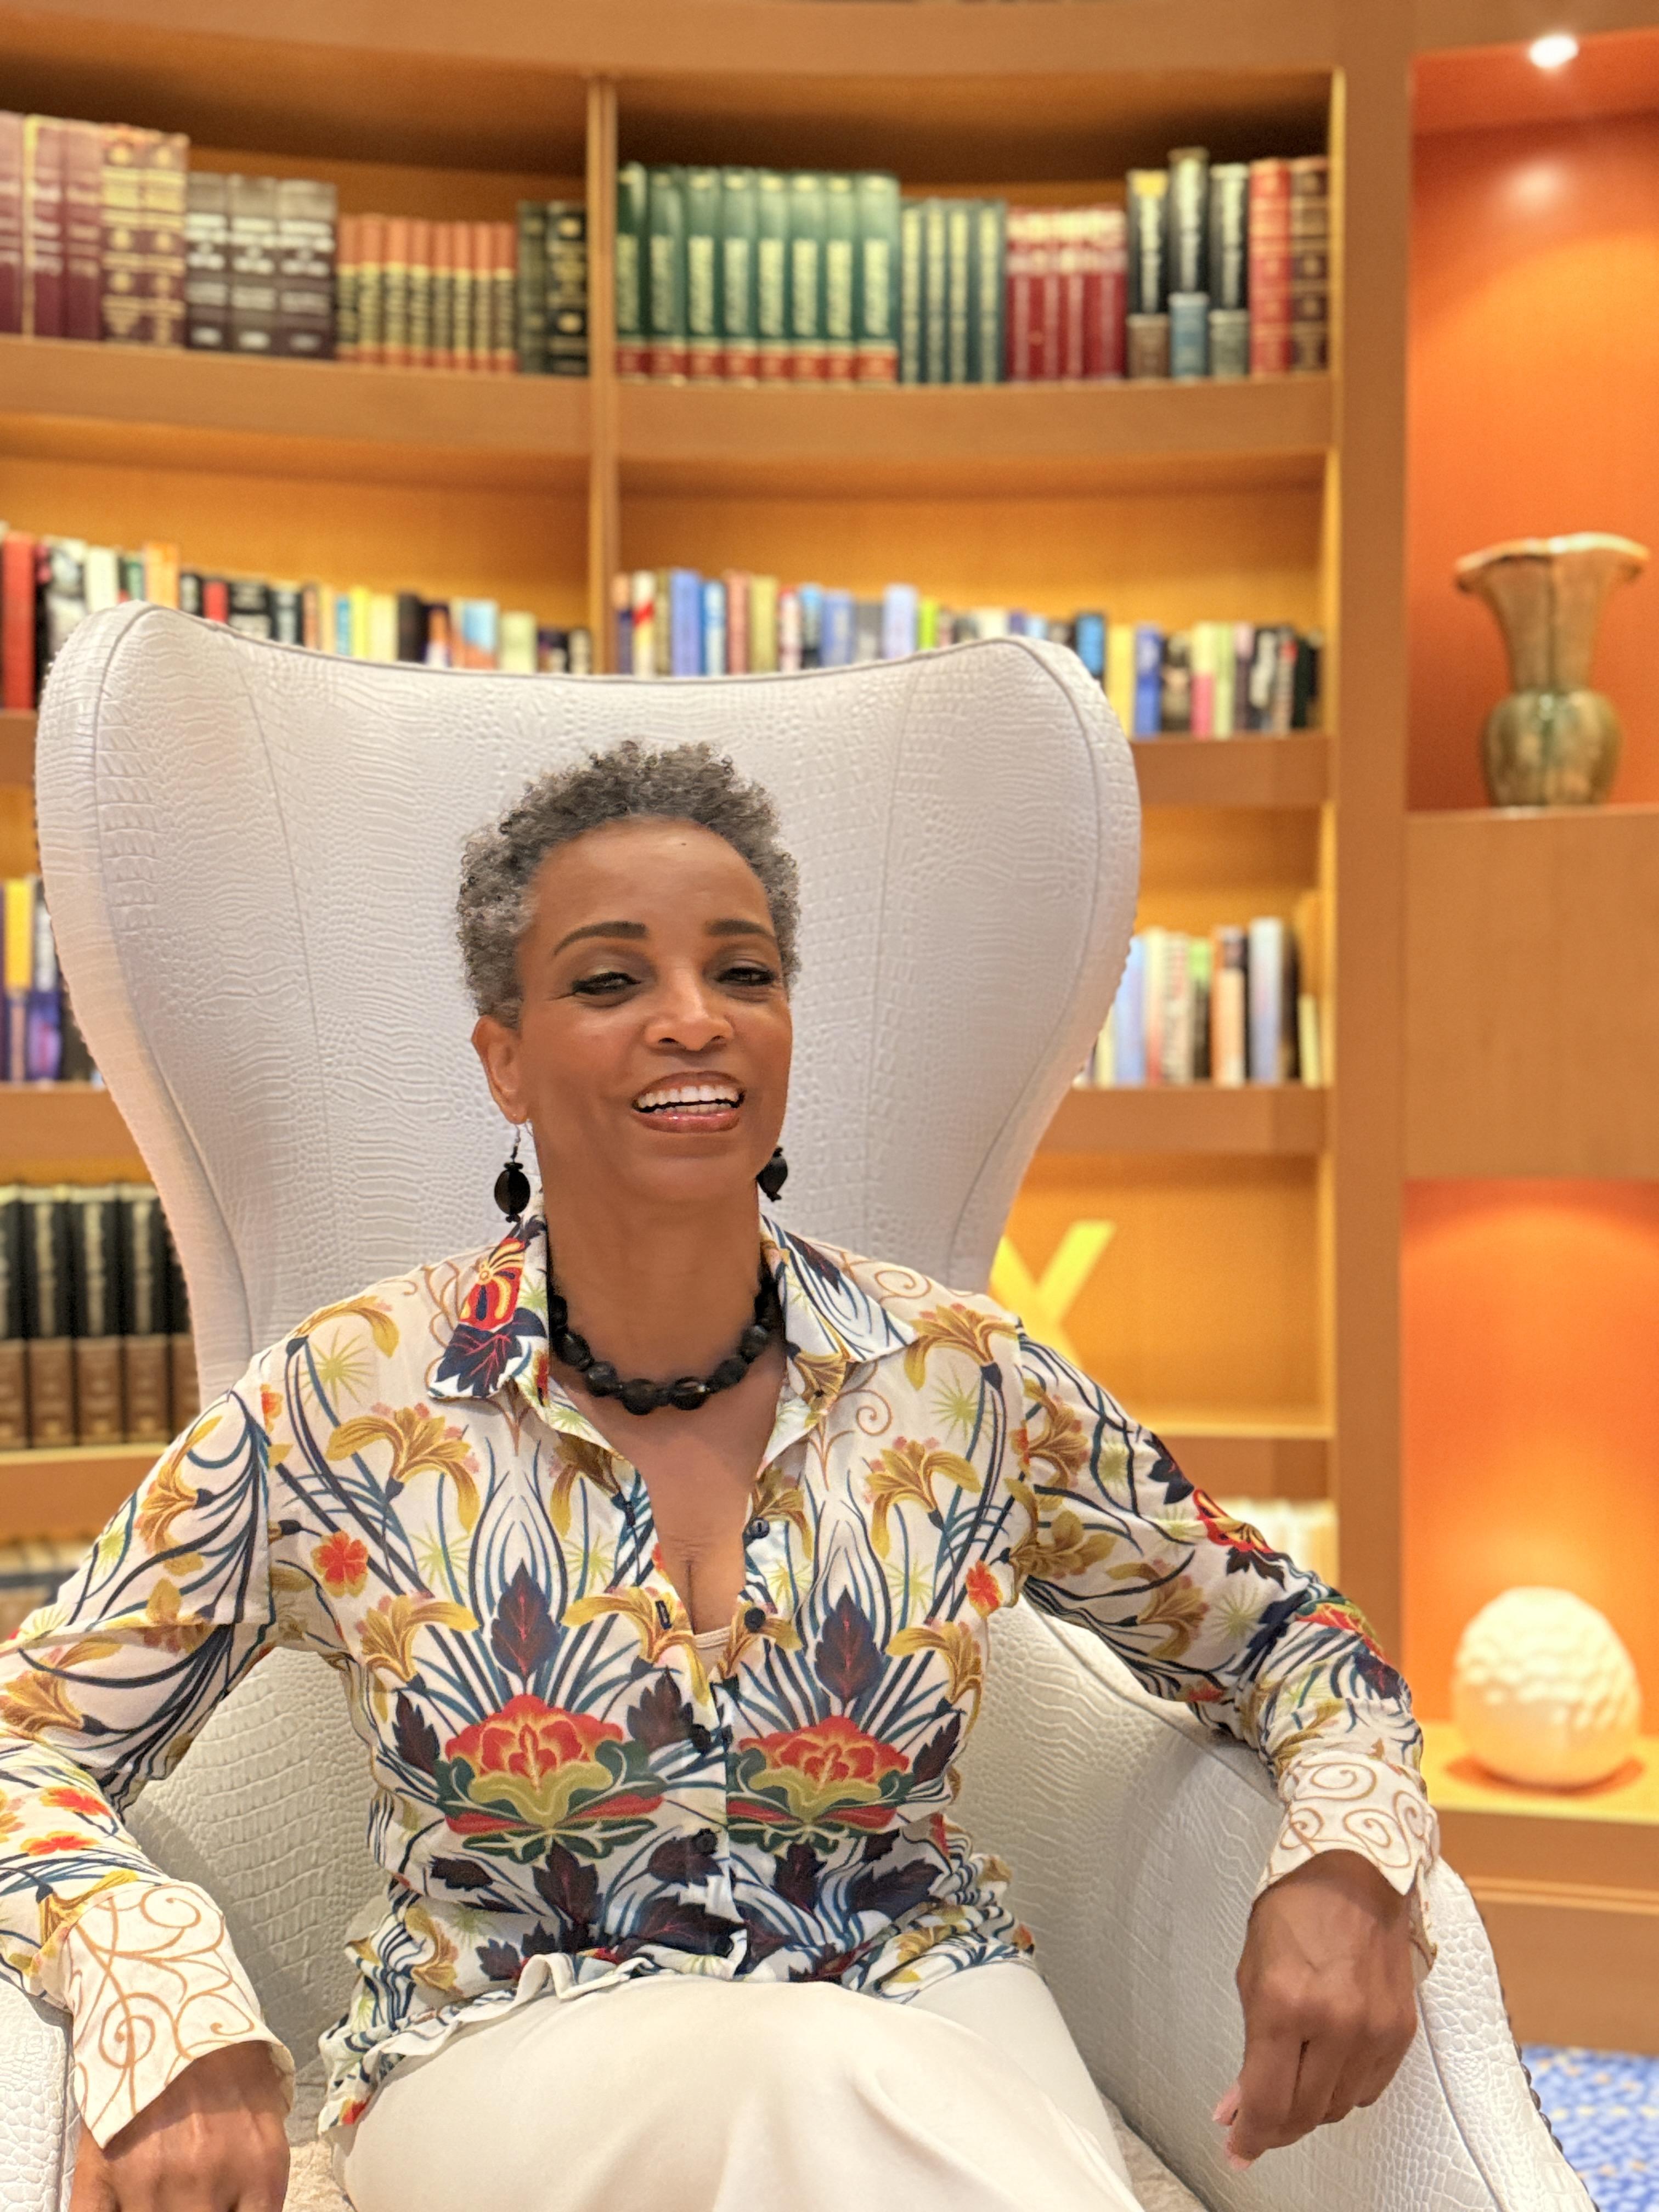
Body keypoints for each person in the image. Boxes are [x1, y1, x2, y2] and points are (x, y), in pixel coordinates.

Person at [0, 741, 1435, 2212]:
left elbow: (1295, 1642)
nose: (695, 1018)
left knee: (852, 2083)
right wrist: (153, 1976)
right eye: (610, 980)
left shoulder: (965, 1380)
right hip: (507, 2043)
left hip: (931, 1998)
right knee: (805, 2072)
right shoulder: (347, 1400)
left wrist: (1345, 1862)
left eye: (744, 973)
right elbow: (25, 1744)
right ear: (504, 1058)